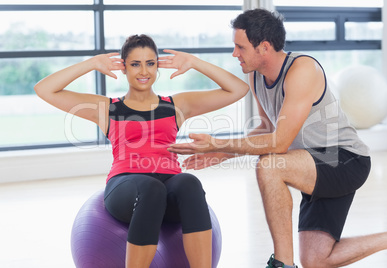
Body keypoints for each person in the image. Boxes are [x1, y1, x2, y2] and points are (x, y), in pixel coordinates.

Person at [168, 8, 387, 268]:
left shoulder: (302, 69)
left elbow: (278, 144)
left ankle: (282, 264)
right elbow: (267, 129)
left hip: (344, 159)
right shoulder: (256, 76)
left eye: (240, 47)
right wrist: (222, 153)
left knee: (269, 165)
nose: (235, 54)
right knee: (316, 260)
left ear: (264, 47)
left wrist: (218, 143)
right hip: (312, 164)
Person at [34, 34, 249, 268]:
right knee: (151, 188)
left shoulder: (175, 105)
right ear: (124, 67)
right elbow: (45, 89)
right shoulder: (107, 109)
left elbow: (238, 89)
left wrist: (195, 62)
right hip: (125, 187)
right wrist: (92, 64)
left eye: (150, 63)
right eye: (135, 64)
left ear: (158, 66)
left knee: (189, 182)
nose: (143, 71)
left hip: (169, 187)